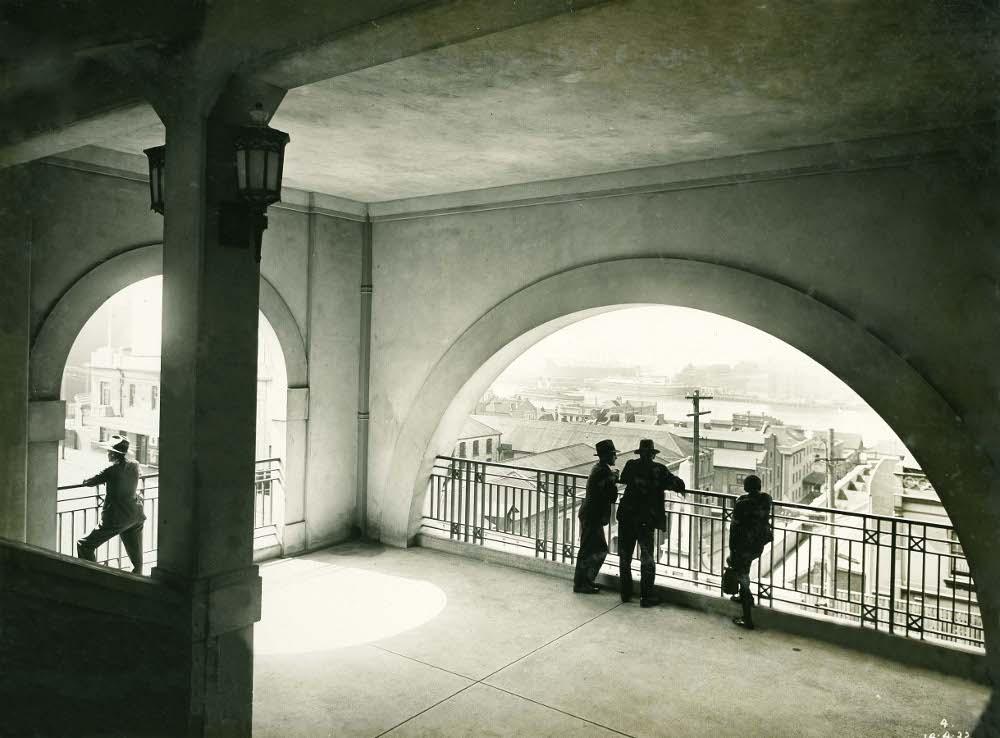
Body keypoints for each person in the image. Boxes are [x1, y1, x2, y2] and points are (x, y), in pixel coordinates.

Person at [617, 439, 686, 607]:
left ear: (639, 453)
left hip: (627, 515)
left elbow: (623, 478)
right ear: (653, 455)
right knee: (647, 557)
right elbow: (678, 485)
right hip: (646, 519)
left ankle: (625, 593)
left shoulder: (631, 465)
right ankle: (646, 596)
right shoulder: (659, 470)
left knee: (625, 556)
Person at [76, 435, 146, 574]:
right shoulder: (135, 465)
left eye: (109, 451)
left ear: (114, 453)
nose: (107, 454)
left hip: (116, 518)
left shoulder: (110, 471)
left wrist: (85, 480)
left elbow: (89, 482)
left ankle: (93, 577)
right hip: (136, 516)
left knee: (84, 545)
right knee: (137, 562)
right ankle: (139, 584)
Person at [573, 439, 620, 593]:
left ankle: (584, 582)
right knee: (594, 549)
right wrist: (614, 480)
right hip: (592, 516)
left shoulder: (600, 469)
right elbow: (611, 496)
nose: (616, 457)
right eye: (613, 454)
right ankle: (582, 583)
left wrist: (612, 478)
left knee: (590, 548)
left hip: (590, 515)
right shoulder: (603, 471)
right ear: (606, 456)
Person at [727, 474, 772, 629]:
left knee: (742, 576)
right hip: (757, 544)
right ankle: (747, 598)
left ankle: (747, 619)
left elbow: (734, 528)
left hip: (743, 546)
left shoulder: (742, 503)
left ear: (746, 487)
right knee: (743, 571)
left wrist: (732, 550)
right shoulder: (766, 499)